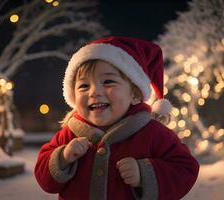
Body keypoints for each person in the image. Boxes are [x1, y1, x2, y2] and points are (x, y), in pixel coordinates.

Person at [34, 36, 199, 200]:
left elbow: (185, 169)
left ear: (134, 94)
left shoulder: (153, 132)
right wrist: (63, 158)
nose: (94, 92)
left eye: (108, 82)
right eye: (84, 85)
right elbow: (45, 180)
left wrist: (144, 173)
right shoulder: (69, 134)